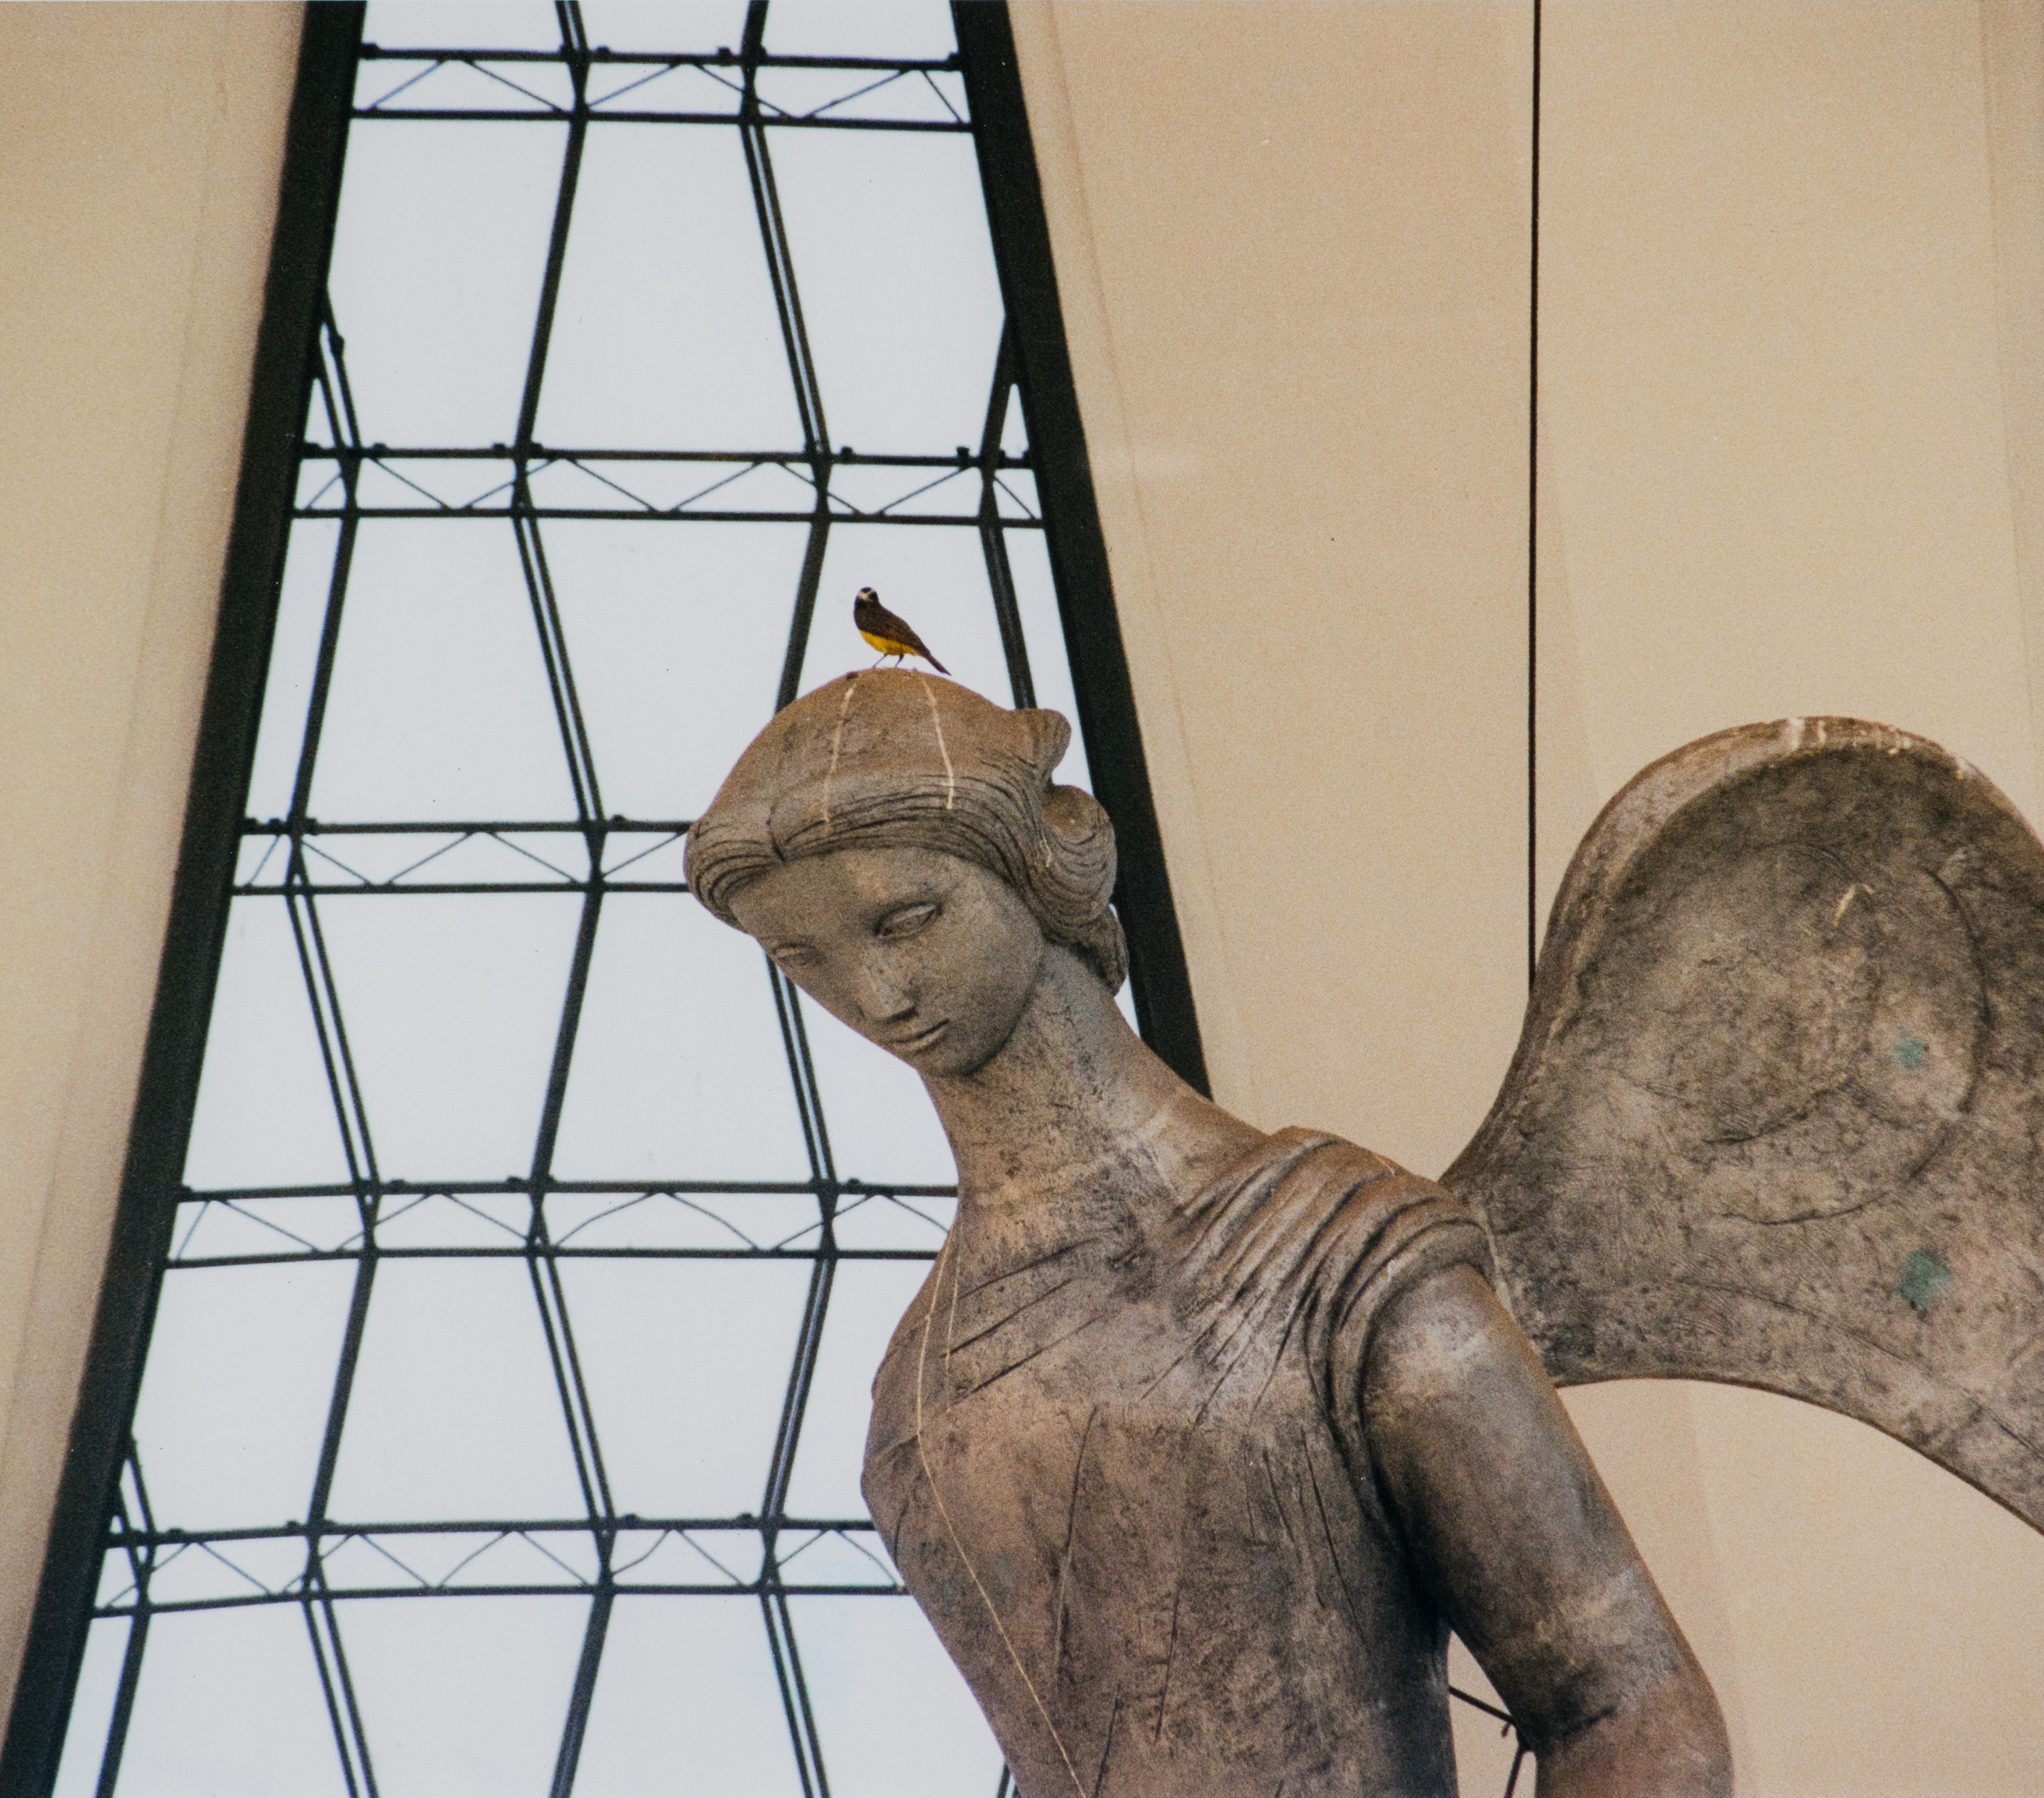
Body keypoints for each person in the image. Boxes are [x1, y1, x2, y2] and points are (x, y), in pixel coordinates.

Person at [688, 670, 1730, 1798]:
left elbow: (1626, 1708)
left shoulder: (1330, 1253)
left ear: (1034, 862)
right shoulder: (916, 1397)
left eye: (907, 918)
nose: (876, 991)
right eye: (804, 959)